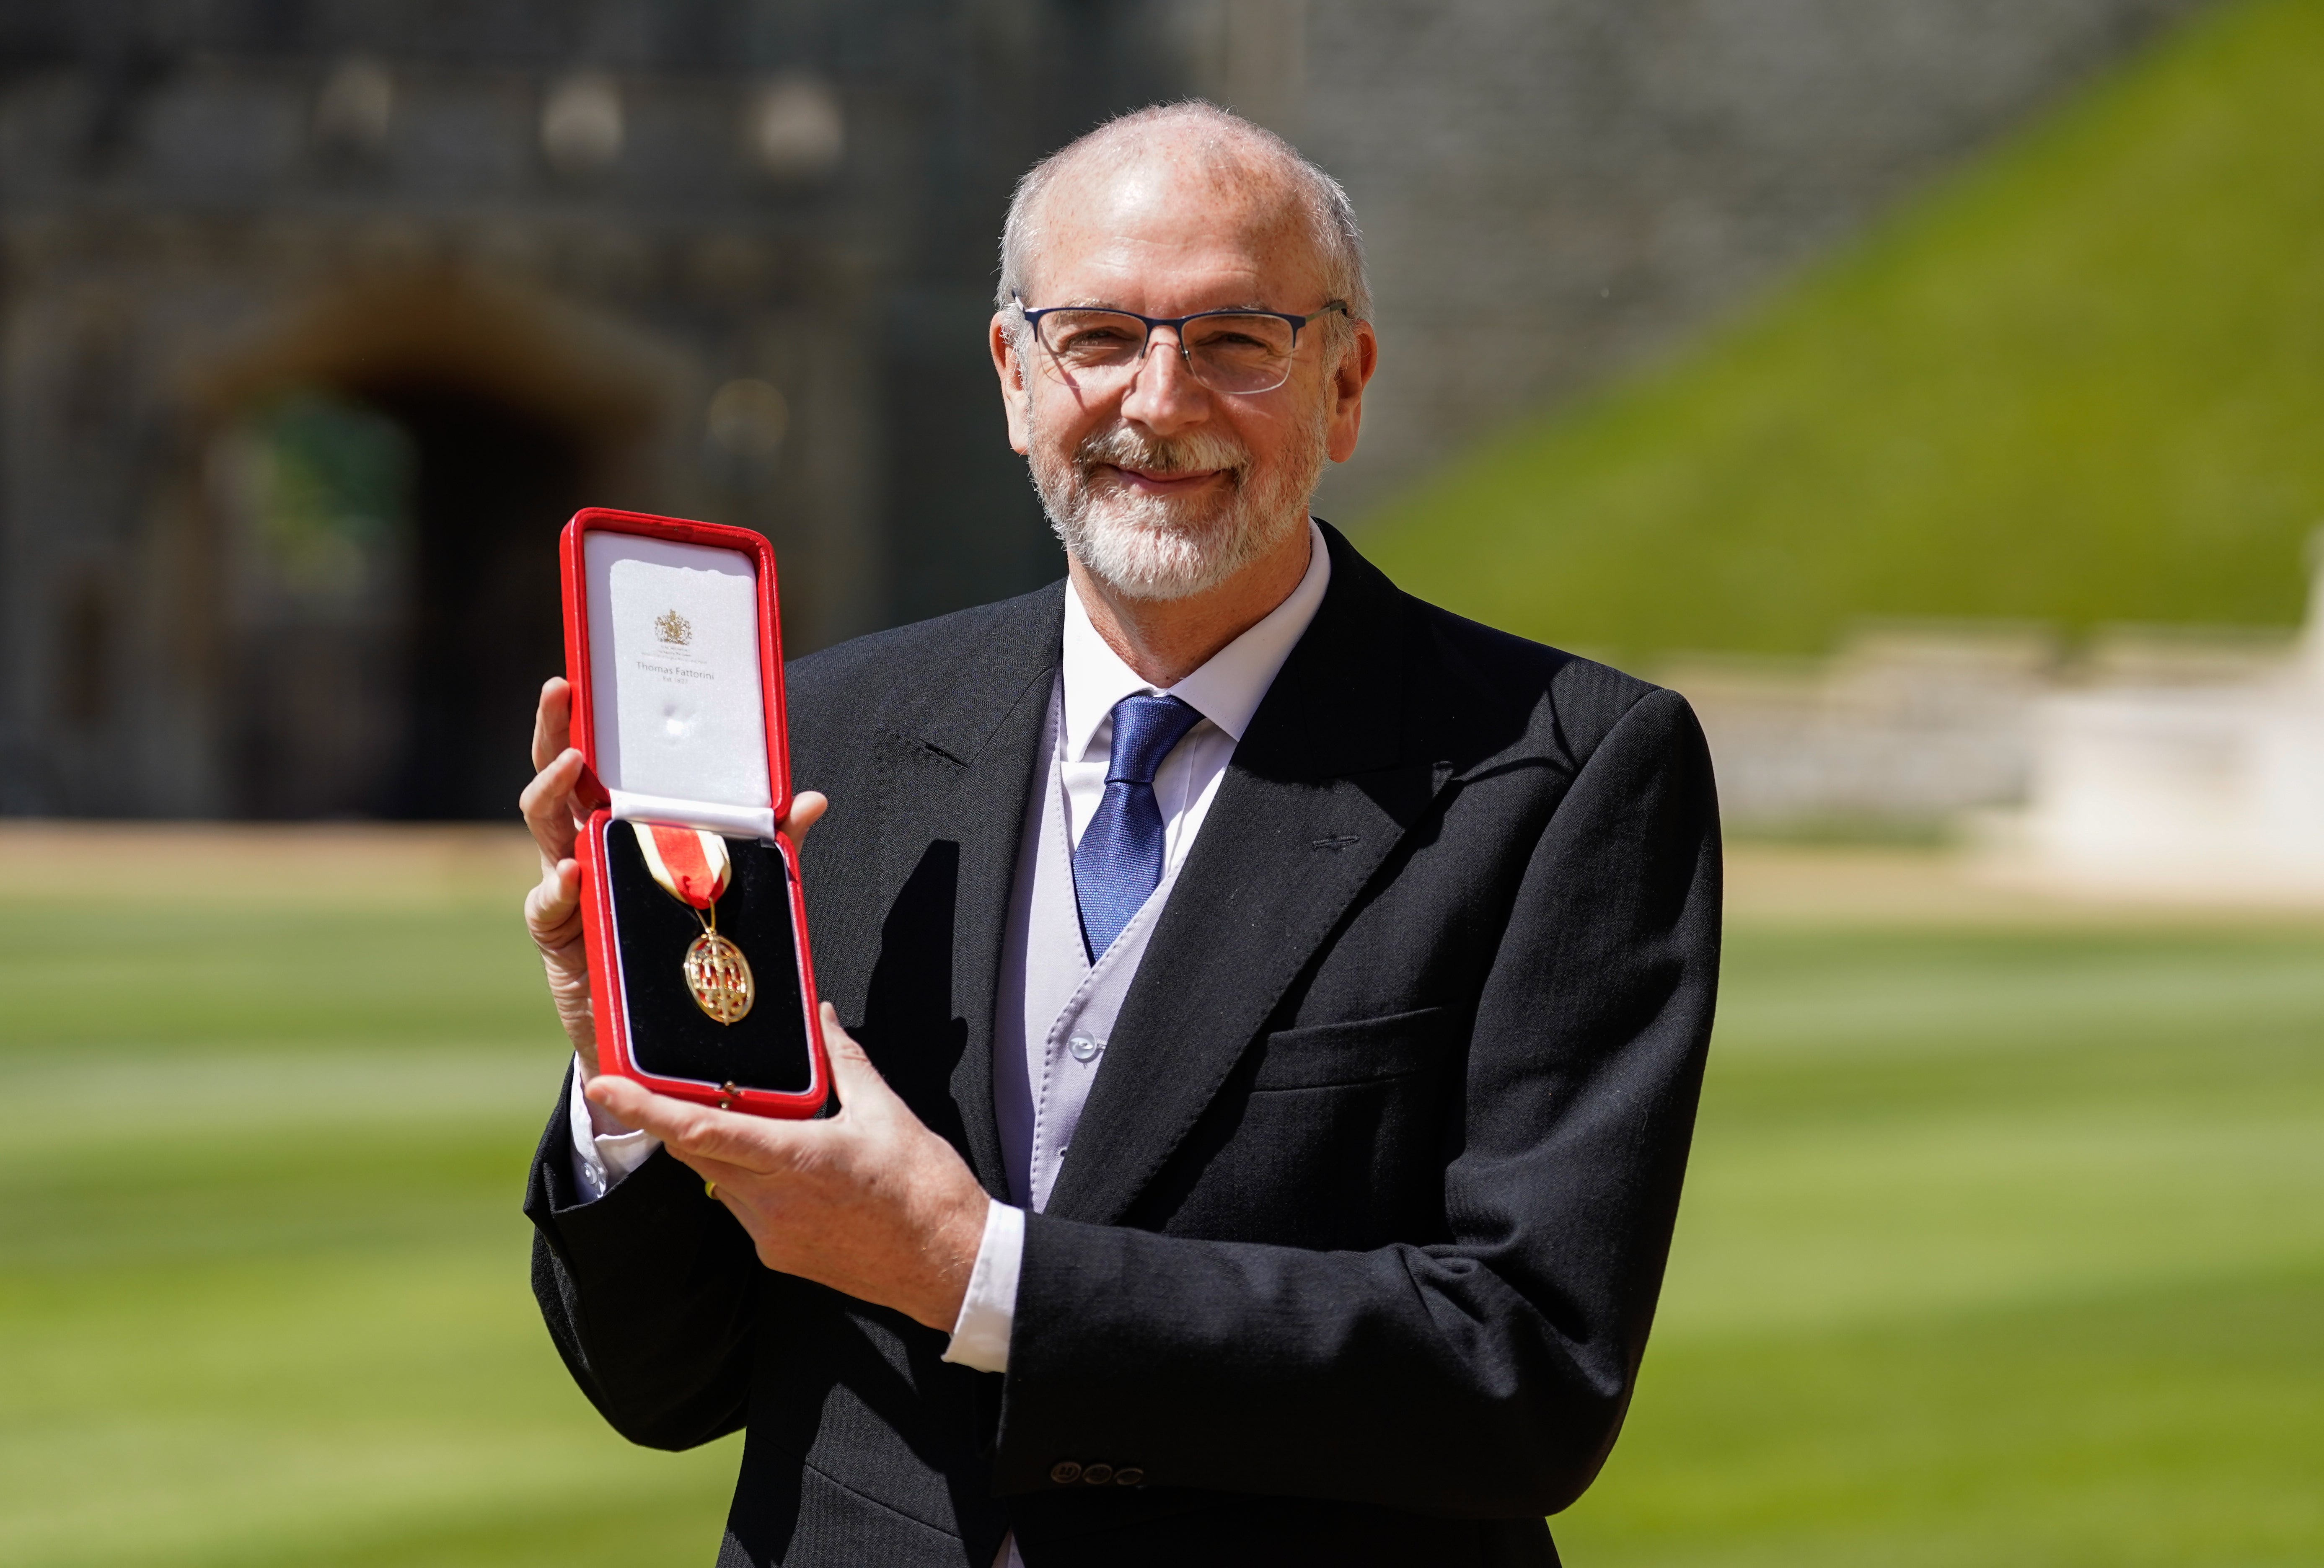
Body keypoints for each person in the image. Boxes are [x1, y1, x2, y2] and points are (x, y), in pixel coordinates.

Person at [518, 101, 1719, 1568]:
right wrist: (620, 1082)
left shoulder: (1566, 769)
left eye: (1237, 339)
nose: (1159, 400)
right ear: (1014, 376)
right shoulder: (816, 738)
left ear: (1344, 385)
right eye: (1096, 336)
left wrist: (979, 1273)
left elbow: (1524, 1380)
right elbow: (667, 1386)